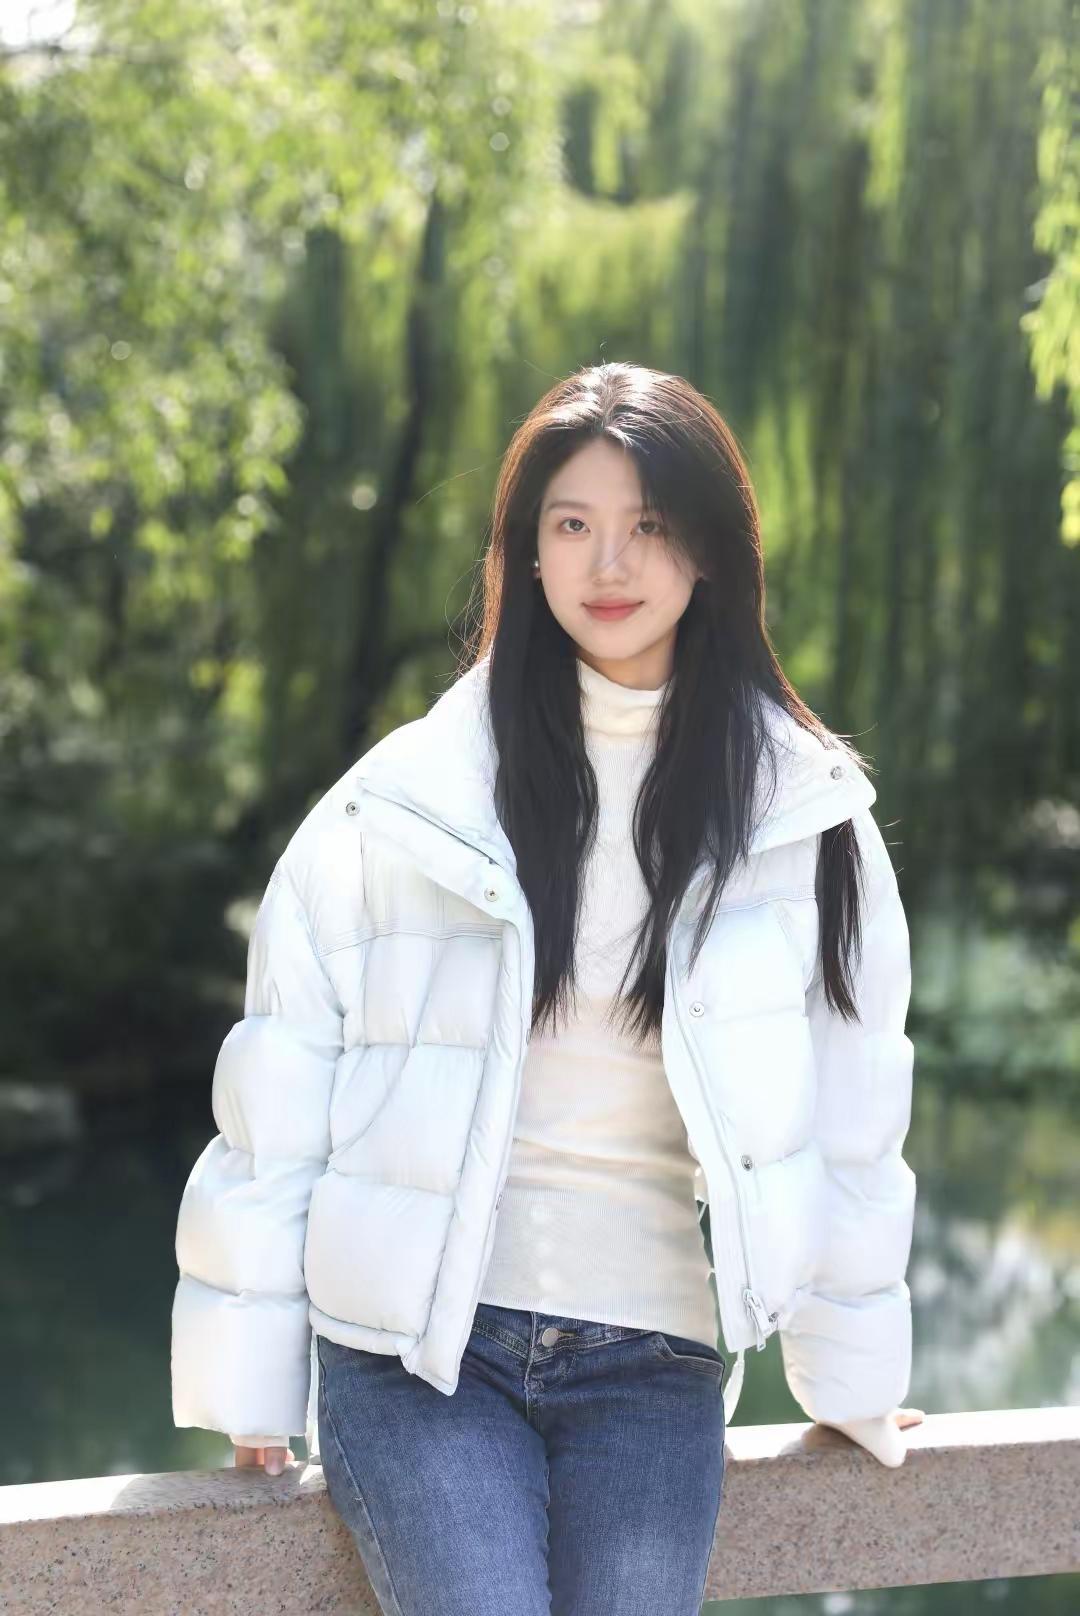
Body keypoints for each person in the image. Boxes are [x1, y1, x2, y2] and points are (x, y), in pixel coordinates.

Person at [171, 361, 923, 1615]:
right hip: (418, 1355)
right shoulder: (408, 801)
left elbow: (855, 1116)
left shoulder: (805, 816)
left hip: (653, 1363)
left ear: (710, 550)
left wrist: (851, 1379)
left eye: (649, 524)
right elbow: (283, 1082)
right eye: (572, 523)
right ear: (528, 551)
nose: (608, 562)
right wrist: (252, 1382)